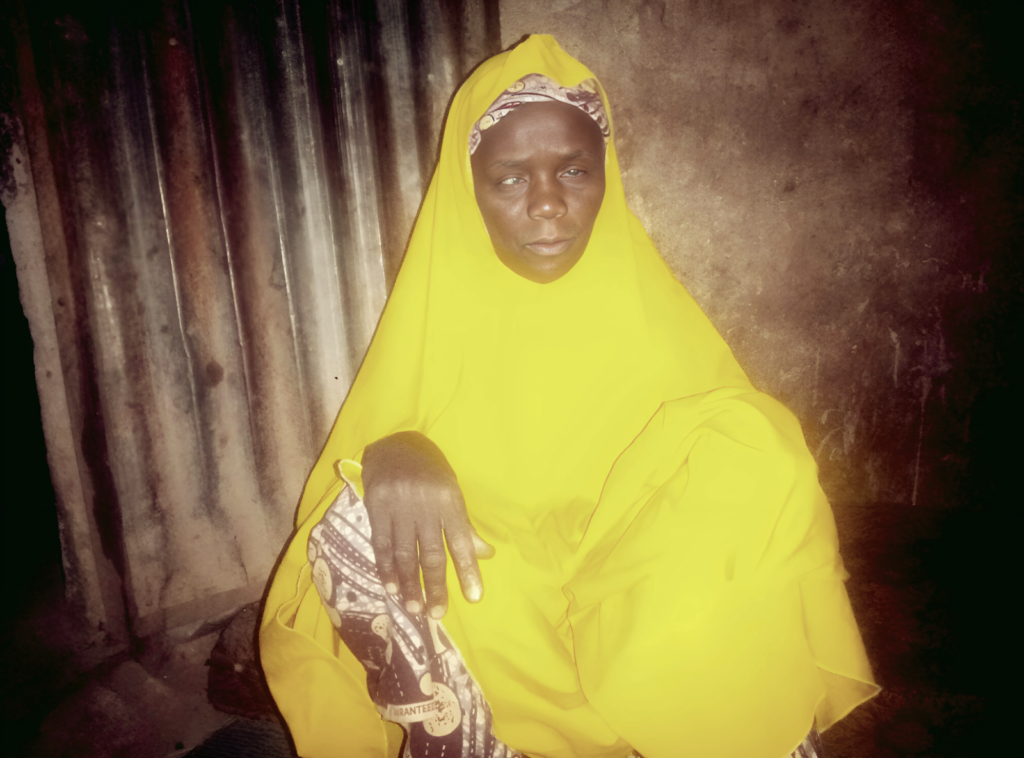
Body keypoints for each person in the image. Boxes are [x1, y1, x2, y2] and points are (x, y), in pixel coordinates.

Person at [259, 34, 878, 758]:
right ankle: (476, 740)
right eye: (511, 179)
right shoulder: (437, 319)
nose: (548, 204)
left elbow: (731, 497)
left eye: (575, 171)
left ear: (606, 177)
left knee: (756, 439)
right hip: (500, 610)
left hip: (644, 614)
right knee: (361, 517)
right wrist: (397, 448)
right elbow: (323, 539)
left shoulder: (652, 317)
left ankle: (710, 731)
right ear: (469, 188)